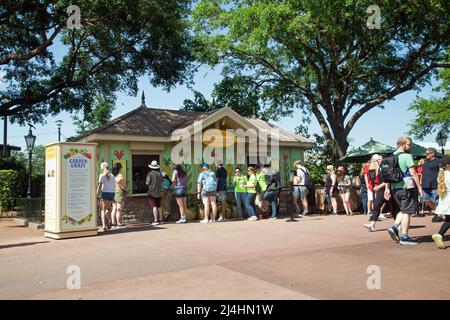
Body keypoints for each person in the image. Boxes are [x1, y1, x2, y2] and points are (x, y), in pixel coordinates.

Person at [385, 136, 423, 245]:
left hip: (394, 189)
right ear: (403, 145)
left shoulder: (391, 157)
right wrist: (419, 187)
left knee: (403, 209)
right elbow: (413, 173)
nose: (410, 146)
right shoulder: (407, 156)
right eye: (409, 144)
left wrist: (387, 189)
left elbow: (387, 175)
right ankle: (404, 236)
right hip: (406, 188)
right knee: (407, 212)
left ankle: (394, 226)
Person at [364, 155, 394, 231]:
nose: (377, 161)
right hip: (381, 191)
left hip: (388, 189)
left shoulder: (386, 167)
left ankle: (399, 223)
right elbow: (372, 177)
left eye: (379, 159)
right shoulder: (377, 168)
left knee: (393, 207)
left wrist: (379, 186)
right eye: (376, 160)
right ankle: (372, 224)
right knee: (376, 206)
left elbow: (388, 180)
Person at [431, 156, 450, 249]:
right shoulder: (449, 175)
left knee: (448, 220)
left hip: (444, 200)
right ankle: (439, 234)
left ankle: (439, 235)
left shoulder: (440, 175)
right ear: (448, 165)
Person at [97, 162, 115, 232]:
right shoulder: (112, 175)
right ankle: (110, 220)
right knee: (107, 209)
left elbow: (100, 186)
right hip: (112, 193)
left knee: (102, 210)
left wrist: (97, 194)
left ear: (102, 168)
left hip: (105, 193)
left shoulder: (102, 175)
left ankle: (104, 225)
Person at [422, 148, 440, 217]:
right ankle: (438, 212)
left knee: (435, 200)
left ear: (432, 154)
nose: (426, 155)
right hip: (425, 185)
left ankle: (438, 215)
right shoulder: (425, 162)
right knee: (426, 200)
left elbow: (441, 173)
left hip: (434, 184)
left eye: (427, 153)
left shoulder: (438, 161)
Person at [146, 160, 163, 226]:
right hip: (159, 192)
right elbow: (162, 181)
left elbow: (147, 182)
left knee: (154, 206)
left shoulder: (150, 174)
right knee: (159, 206)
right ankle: (161, 219)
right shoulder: (160, 173)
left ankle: (156, 220)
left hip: (152, 192)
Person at [111, 162, 127, 229]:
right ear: (119, 168)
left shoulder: (112, 176)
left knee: (114, 208)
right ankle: (118, 223)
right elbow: (124, 186)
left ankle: (113, 223)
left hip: (113, 192)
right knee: (119, 209)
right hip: (119, 192)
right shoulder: (120, 175)